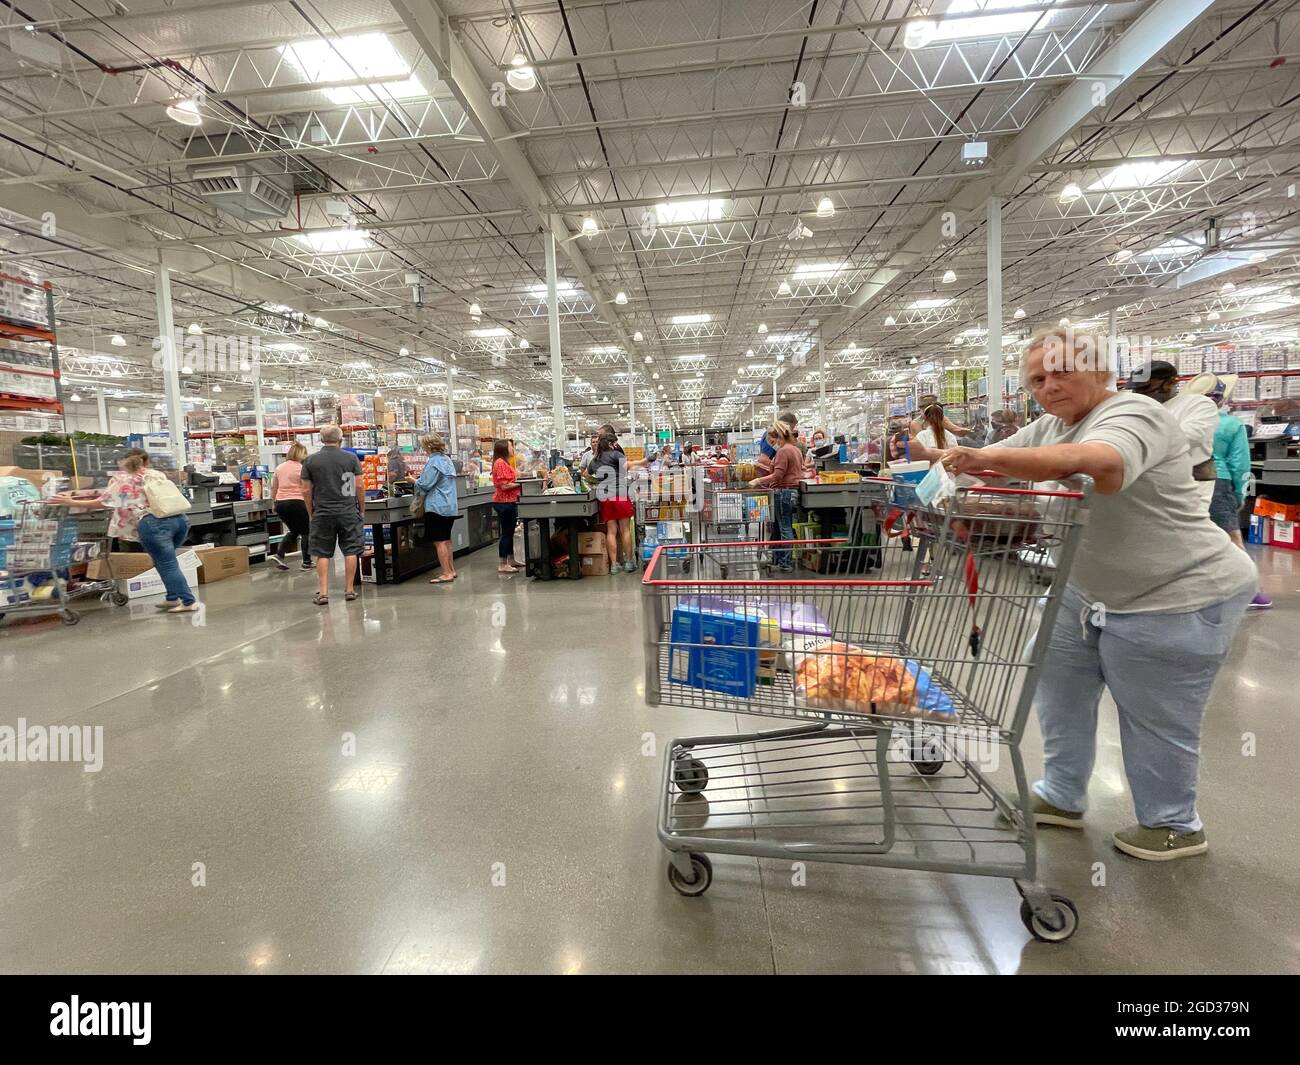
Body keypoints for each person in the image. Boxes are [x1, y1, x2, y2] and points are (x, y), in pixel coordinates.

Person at [938, 328, 1258, 861]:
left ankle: (1173, 823)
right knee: (1057, 691)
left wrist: (977, 463)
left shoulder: (1134, 414)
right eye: (1038, 379)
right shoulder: (1049, 426)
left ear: (1102, 370)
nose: (1049, 387)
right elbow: (993, 460)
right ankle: (1061, 796)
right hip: (1084, 590)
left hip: (1175, 591)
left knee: (1153, 713)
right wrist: (949, 467)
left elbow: (1102, 466)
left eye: (1062, 372)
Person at [49, 448, 199, 613]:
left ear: (122, 462)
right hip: (179, 520)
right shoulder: (157, 474)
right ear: (147, 461)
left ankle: (188, 601)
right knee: (163, 561)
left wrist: (72, 502)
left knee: (167, 563)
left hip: (154, 524)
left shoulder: (123, 479)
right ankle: (172, 597)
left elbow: (103, 501)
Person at [1191, 373, 1272, 609]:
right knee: (1232, 538)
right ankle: (1251, 591)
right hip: (1219, 481)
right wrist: (1240, 495)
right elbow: (1241, 465)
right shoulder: (1231, 424)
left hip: (1187, 481)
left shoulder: (1182, 421)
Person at [1128, 360, 1219, 510]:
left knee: (1188, 527)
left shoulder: (1198, 404)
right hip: (1150, 482)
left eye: (1146, 388)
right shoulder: (1139, 408)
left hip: (1191, 482)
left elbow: (1191, 435)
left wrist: (1142, 440)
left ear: (1170, 383)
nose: (1140, 394)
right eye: (1136, 390)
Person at [301, 424, 365, 605]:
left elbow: (305, 490)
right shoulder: (351, 458)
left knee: (322, 552)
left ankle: (323, 593)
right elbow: (359, 486)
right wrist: (361, 508)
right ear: (340, 439)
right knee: (351, 549)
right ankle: (350, 589)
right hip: (347, 511)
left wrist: (310, 511)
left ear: (321, 439)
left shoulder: (310, 461)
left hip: (322, 512)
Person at [749, 421, 802, 571]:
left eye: (772, 440)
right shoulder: (795, 450)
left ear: (779, 436)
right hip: (791, 492)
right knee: (781, 528)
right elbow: (796, 469)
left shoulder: (784, 451)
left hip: (783, 492)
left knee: (785, 529)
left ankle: (785, 563)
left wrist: (758, 480)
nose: (772, 444)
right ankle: (779, 559)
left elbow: (778, 475)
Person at [588, 430, 636, 572]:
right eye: (615, 442)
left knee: (611, 532)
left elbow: (588, 472)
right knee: (625, 530)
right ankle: (628, 562)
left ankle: (614, 565)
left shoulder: (596, 459)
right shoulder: (617, 454)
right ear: (610, 443)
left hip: (605, 497)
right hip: (620, 494)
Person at [415, 432, 459, 584]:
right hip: (450, 506)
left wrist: (413, 481)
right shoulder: (447, 460)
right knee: (446, 540)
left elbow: (425, 484)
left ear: (428, 446)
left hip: (436, 506)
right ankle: (451, 570)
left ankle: (446, 573)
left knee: (439, 541)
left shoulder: (433, 462)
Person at [269, 442, 312, 571]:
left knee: (294, 530)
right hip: (297, 502)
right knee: (306, 531)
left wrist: (274, 503)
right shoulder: (302, 468)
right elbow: (306, 488)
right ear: (300, 454)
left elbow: (274, 487)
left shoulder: (279, 468)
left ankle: (279, 554)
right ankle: (306, 562)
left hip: (281, 503)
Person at [490, 439, 522, 574]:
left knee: (509, 531)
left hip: (510, 501)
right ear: (504, 448)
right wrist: (521, 484)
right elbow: (504, 485)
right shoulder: (500, 463)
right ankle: (503, 563)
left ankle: (511, 559)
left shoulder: (505, 462)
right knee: (507, 533)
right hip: (504, 502)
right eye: (510, 446)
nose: (513, 449)